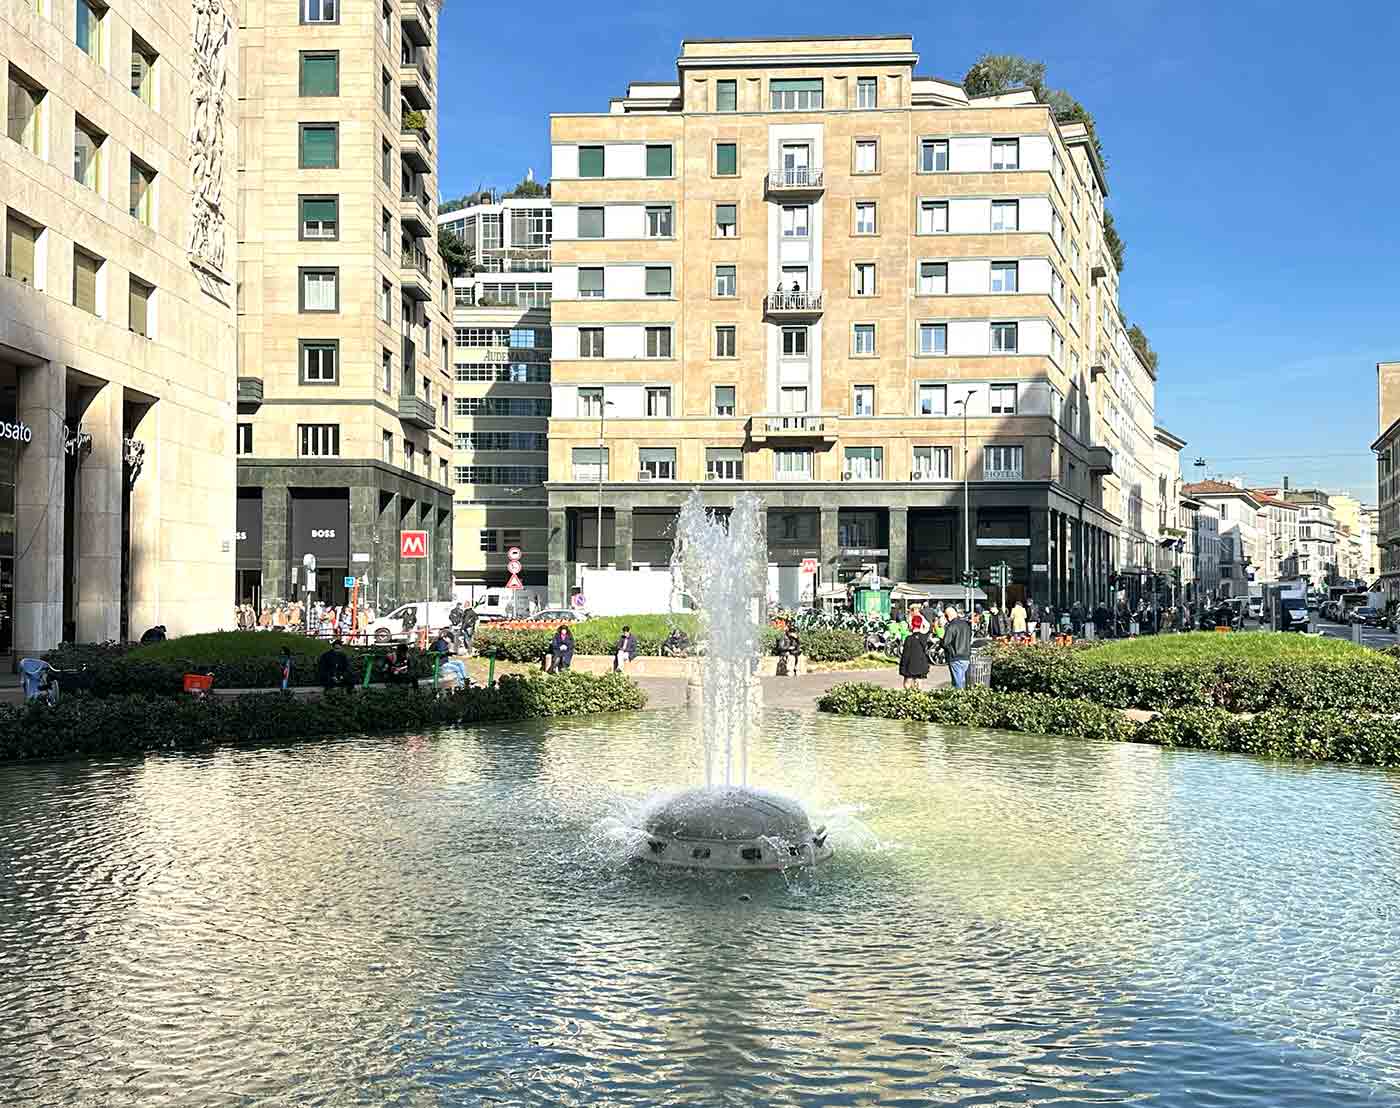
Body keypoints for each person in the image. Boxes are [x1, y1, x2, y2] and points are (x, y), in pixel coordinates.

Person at [942, 606, 973, 689]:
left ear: (947, 616)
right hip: (966, 656)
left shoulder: (951, 626)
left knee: (957, 684)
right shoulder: (966, 625)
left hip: (955, 657)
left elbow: (945, 643)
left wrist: (942, 641)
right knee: (963, 681)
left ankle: (960, 699)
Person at [898, 618, 931, 690]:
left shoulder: (909, 639)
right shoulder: (924, 637)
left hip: (910, 664)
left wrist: (903, 665)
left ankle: (908, 696)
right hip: (921, 663)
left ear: (911, 625)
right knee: (919, 682)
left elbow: (905, 654)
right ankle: (918, 696)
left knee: (907, 682)